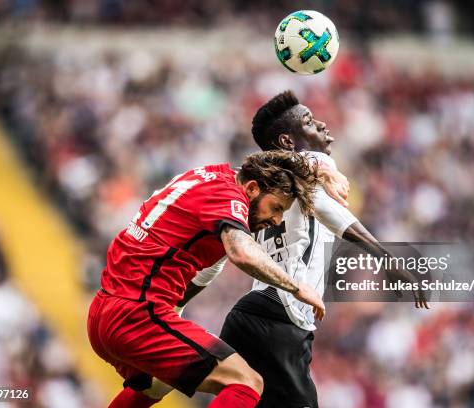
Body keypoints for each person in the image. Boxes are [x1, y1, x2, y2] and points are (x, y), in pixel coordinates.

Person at [176, 90, 429, 408]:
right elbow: (324, 203)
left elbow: (216, 257)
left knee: (225, 393)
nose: (322, 125)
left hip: (250, 313)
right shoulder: (303, 173)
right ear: (286, 141)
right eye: (309, 121)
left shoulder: (269, 183)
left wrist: (176, 305)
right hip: (281, 321)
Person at [87, 150, 328, 408]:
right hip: (135, 314)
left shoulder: (210, 177)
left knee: (156, 385)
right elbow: (241, 252)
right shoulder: (228, 196)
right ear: (252, 188)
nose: (276, 220)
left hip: (106, 311)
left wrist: (324, 173)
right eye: (276, 207)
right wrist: (295, 287)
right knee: (247, 382)